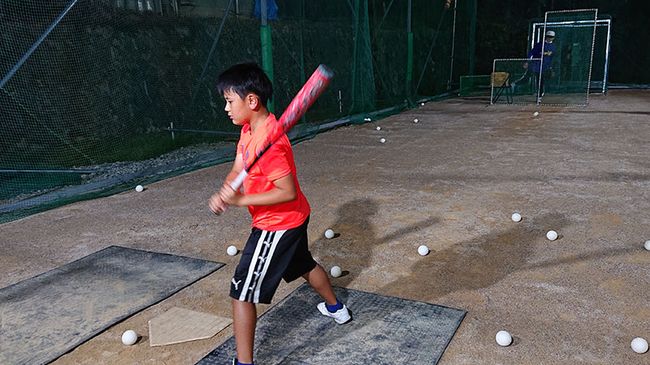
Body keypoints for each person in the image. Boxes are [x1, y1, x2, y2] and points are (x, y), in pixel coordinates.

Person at [208, 63, 351, 365]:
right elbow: (239, 165)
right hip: (294, 218)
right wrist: (226, 190)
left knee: (242, 293)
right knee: (303, 263)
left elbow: (286, 191)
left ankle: (244, 363)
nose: (225, 108)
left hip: (277, 224)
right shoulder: (249, 130)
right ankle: (336, 307)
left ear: (252, 101)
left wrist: (240, 199)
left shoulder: (271, 143)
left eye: (229, 101)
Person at [512, 30, 557, 103]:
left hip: (544, 66)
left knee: (540, 80)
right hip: (535, 64)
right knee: (527, 78)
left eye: (551, 37)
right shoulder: (540, 44)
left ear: (553, 38)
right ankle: (514, 84)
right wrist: (527, 61)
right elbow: (531, 52)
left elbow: (552, 57)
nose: (549, 38)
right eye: (548, 36)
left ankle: (539, 95)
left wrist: (551, 67)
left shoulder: (553, 47)